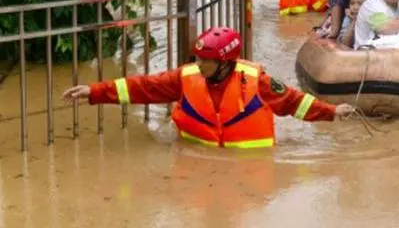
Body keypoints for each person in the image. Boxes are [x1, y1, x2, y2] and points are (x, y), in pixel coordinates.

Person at [62, 27, 356, 148]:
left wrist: (332, 111)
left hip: (250, 168)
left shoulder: (258, 81)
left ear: (226, 63)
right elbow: (144, 87)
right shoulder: (187, 77)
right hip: (194, 159)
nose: (198, 65)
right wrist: (95, 91)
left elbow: (294, 103)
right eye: (198, 58)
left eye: (205, 61)